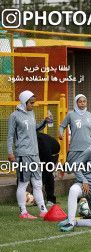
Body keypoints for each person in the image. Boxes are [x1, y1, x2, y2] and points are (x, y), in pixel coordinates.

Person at [7, 90, 50, 219]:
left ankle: (43, 210)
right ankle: (23, 212)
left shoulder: (32, 113)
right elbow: (10, 136)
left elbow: (34, 129)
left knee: (37, 183)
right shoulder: (14, 116)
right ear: (24, 101)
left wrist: (45, 121)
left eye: (33, 102)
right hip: (22, 154)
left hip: (34, 154)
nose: (33, 105)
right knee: (23, 183)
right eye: (31, 102)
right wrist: (10, 153)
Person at [59, 94, 91, 170]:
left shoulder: (90, 115)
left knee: (88, 169)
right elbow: (62, 126)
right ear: (76, 103)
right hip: (75, 147)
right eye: (80, 102)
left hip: (89, 147)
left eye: (84, 101)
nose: (82, 103)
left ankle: (84, 181)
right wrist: (60, 133)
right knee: (68, 168)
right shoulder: (70, 115)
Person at [37, 132, 60, 206]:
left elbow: (47, 168)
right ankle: (36, 196)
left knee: (48, 174)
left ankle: (51, 200)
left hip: (52, 151)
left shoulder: (42, 145)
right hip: (41, 152)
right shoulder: (26, 141)